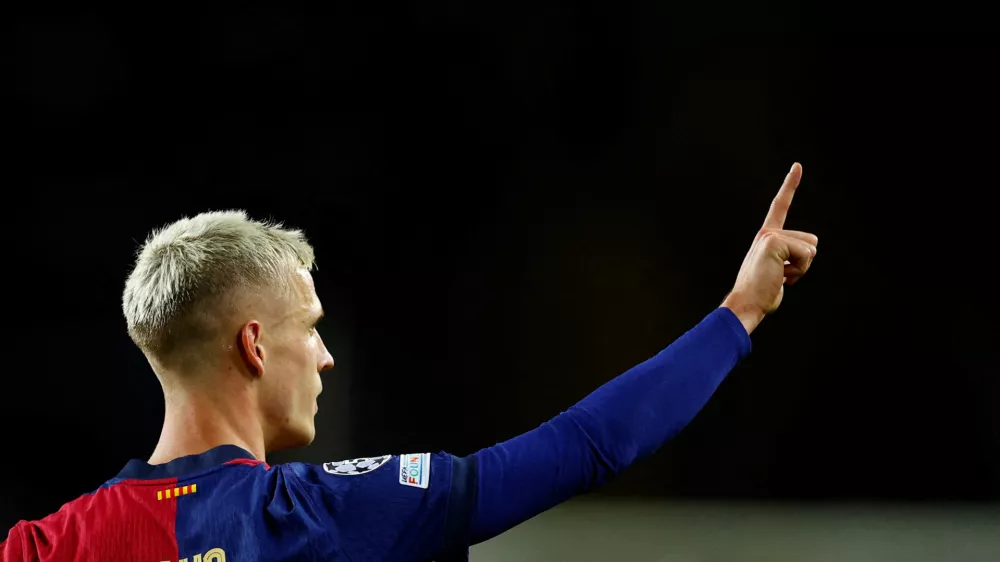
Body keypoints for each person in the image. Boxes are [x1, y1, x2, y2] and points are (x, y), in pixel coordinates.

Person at [1, 164, 818, 562]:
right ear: (254, 346)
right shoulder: (324, 517)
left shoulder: (48, 546)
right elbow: (587, 446)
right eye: (310, 328)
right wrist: (739, 313)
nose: (324, 357)